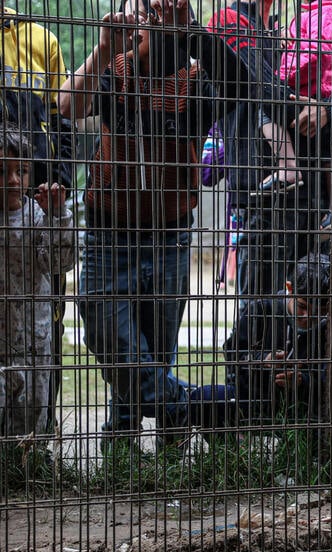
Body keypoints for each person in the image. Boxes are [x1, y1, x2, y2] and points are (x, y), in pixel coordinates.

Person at [59, 0, 222, 447]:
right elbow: (68, 105)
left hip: (169, 232)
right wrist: (103, 46)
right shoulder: (116, 67)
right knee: (110, 334)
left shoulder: (195, 78)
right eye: (149, 15)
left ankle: (153, 438)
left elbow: (236, 90)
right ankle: (199, 405)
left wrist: (187, 33)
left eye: (166, 16)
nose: (153, 22)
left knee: (155, 350)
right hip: (109, 231)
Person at [206, 0, 329, 300]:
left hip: (311, 189)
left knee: (308, 311)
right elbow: (264, 84)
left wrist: (328, 108)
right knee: (261, 313)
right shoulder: (228, 20)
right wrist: (309, 105)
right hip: (262, 193)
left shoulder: (284, 31)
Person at [1, 6, 75, 434]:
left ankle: (38, 443)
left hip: (35, 208)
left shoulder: (39, 38)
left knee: (47, 324)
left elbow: (62, 119)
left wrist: (57, 193)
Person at [188, 254, 331, 439]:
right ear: (289, 288)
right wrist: (263, 360)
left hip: (304, 410)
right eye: (302, 306)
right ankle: (234, 457)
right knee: (204, 398)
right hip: (256, 401)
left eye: (318, 310)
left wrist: (302, 381)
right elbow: (232, 353)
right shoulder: (261, 309)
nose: (307, 317)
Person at [0, 130, 74, 437]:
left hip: (35, 342)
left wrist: (58, 216)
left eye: (22, 171)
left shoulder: (37, 216)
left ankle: (29, 477)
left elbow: (60, 264)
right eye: (3, 171)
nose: (14, 180)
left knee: (31, 425)